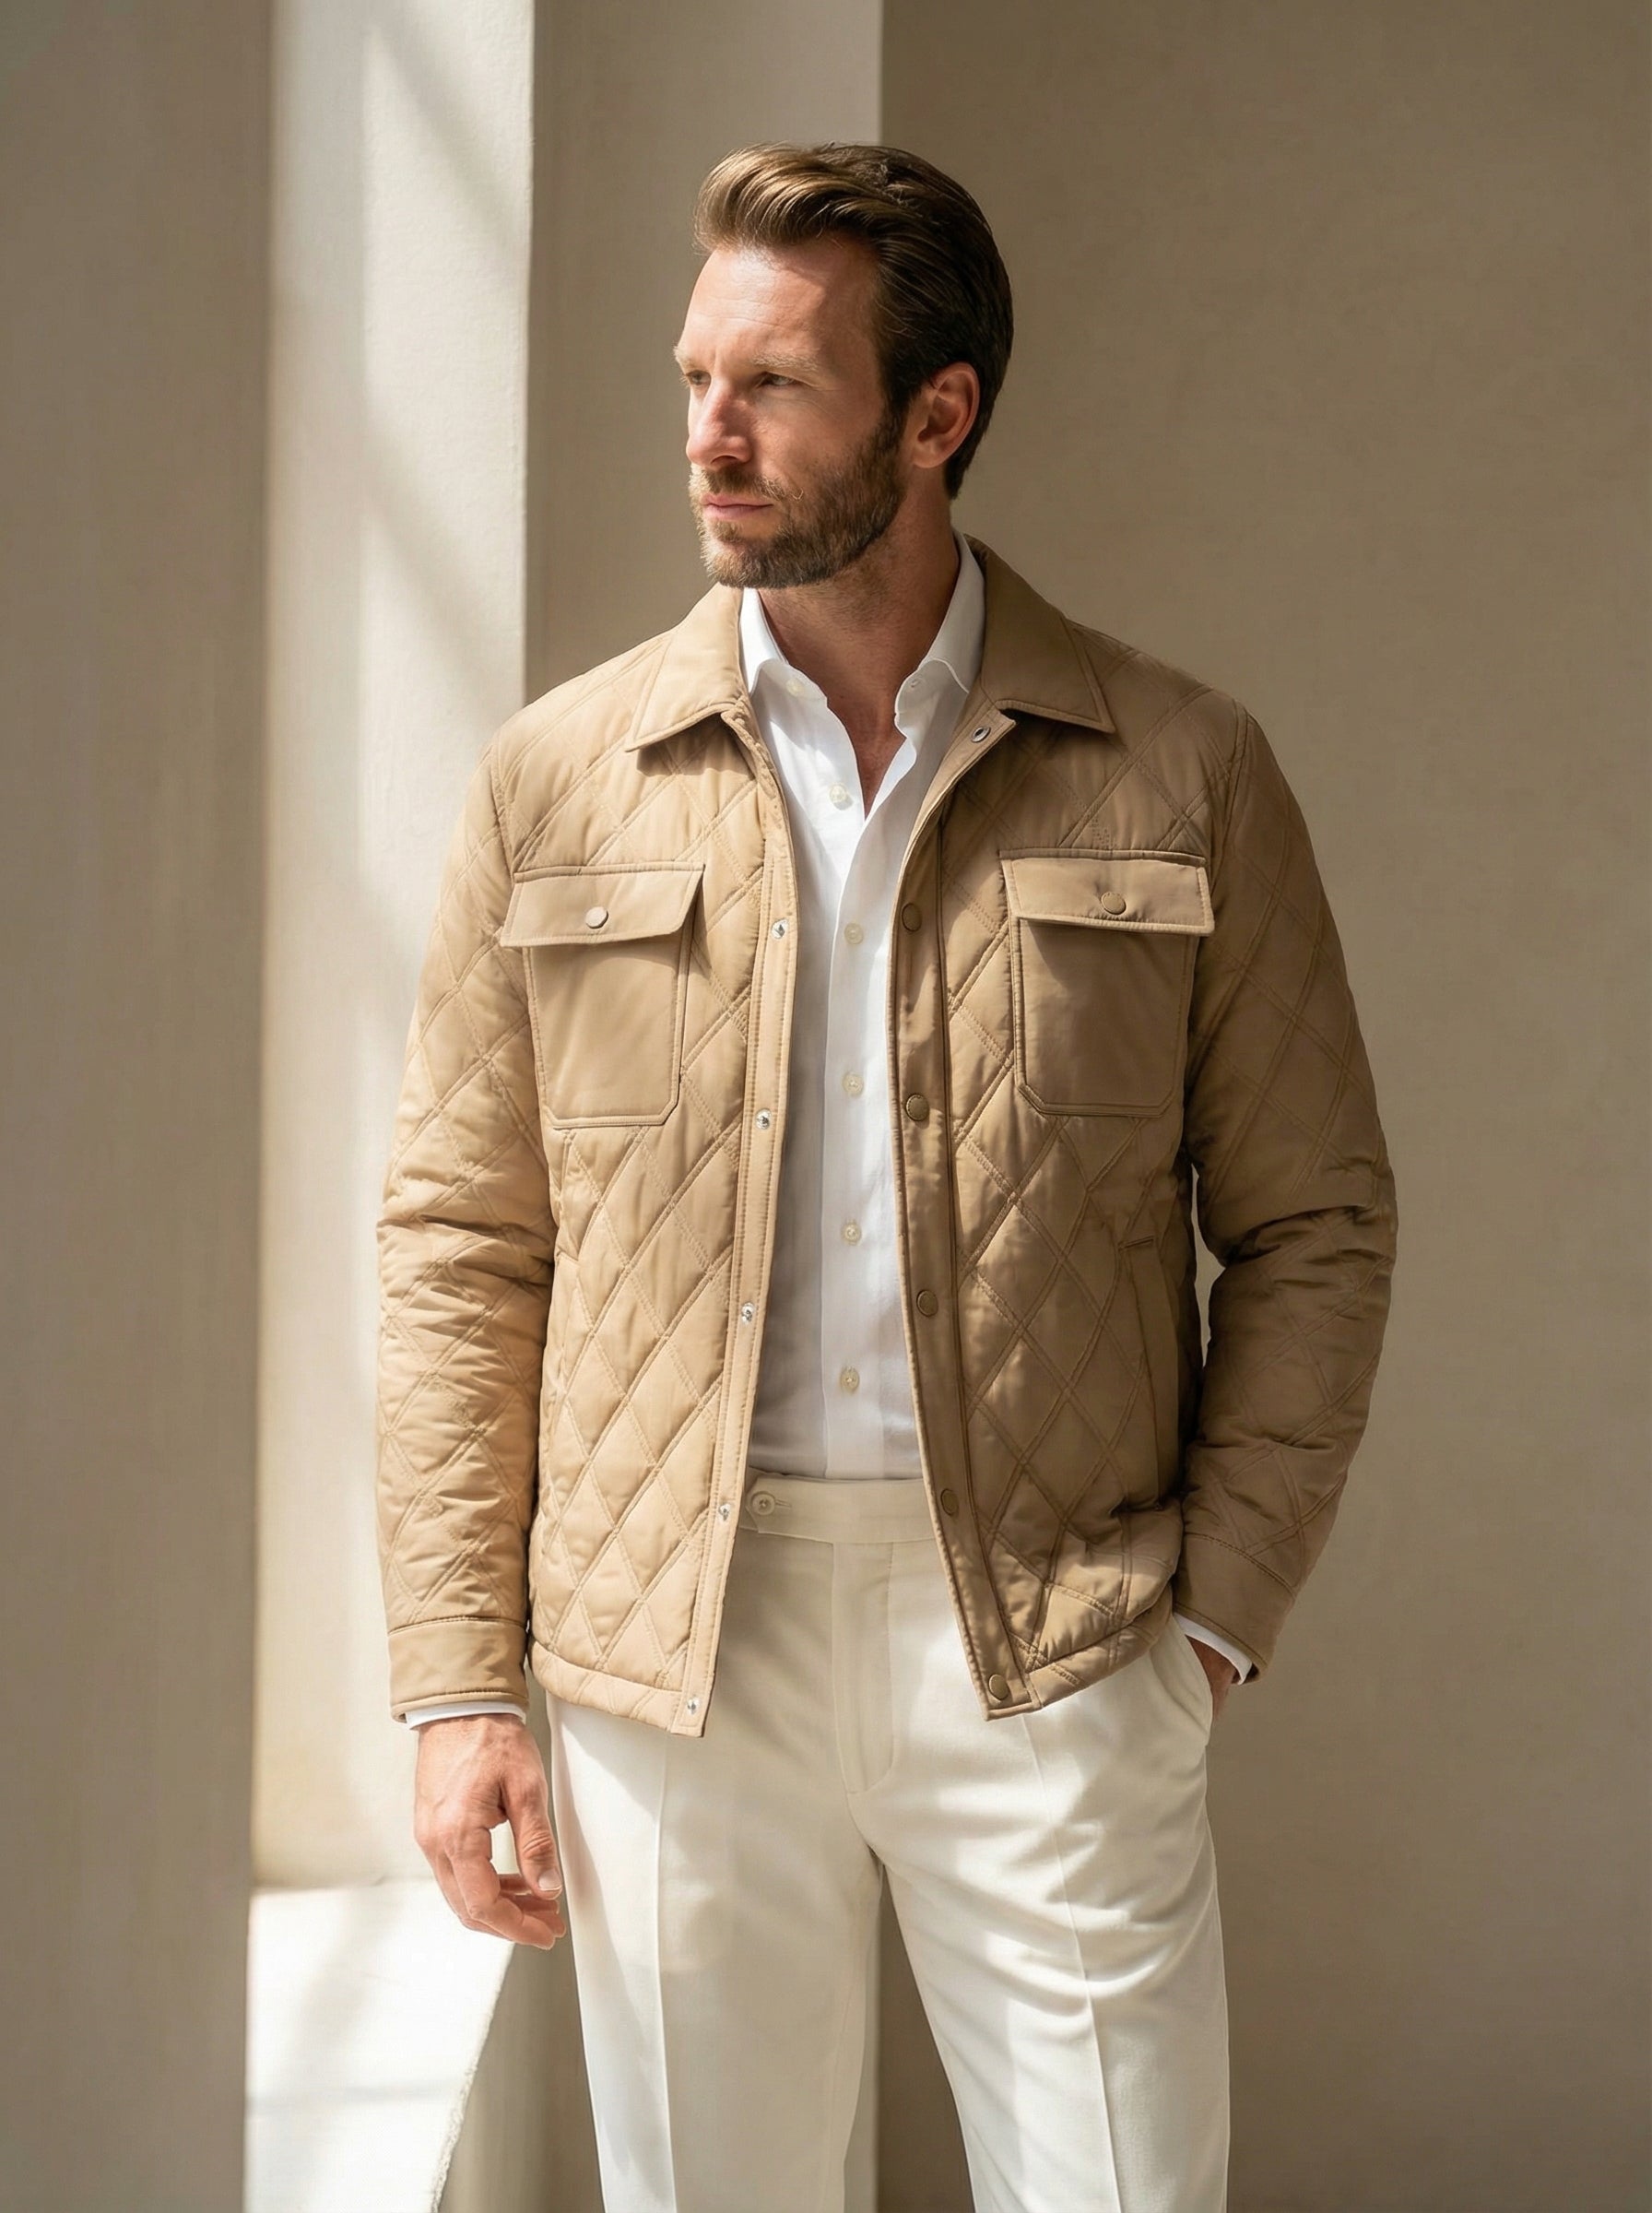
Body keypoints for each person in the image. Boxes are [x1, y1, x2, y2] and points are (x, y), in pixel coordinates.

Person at [375, 141, 1398, 2213]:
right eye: (692, 379)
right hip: (671, 1643)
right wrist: (459, 1679)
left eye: (771, 387)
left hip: (1050, 1630)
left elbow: (1312, 1220)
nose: (706, 437)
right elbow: (461, 1246)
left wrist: (1202, 1628)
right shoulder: (557, 779)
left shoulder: (1174, 767)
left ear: (934, 418)